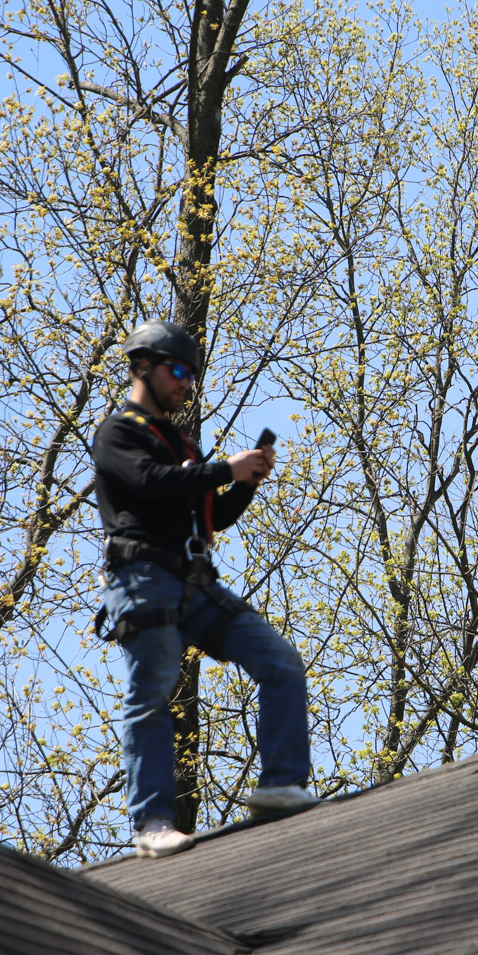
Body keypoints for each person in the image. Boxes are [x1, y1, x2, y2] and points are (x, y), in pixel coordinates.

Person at [93, 318, 317, 858]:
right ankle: (152, 822)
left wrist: (244, 483)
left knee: (280, 661)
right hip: (142, 579)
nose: (185, 383)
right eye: (177, 371)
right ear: (142, 366)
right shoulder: (118, 432)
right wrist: (223, 469)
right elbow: (150, 483)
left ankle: (280, 785)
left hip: (193, 582)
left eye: (191, 375)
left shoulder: (180, 443)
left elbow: (209, 514)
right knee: (153, 690)